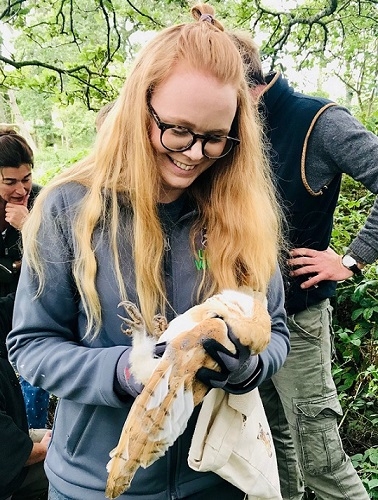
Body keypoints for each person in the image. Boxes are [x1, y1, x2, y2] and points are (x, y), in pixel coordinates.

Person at [7, 4, 290, 499]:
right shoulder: (68, 208)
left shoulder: (242, 214)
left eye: (215, 138)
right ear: (141, 107)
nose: (195, 153)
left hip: (215, 479)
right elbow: (31, 346)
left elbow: (278, 329)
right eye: (177, 129)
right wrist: (123, 372)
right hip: (97, 484)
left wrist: (246, 369)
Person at [229, 31, 377, 500]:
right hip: (247, 325)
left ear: (238, 81)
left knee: (321, 462)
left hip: (299, 319)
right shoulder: (235, 127)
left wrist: (353, 259)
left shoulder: (319, 122)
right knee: (272, 450)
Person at [0, 128, 50, 430]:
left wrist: (29, 228)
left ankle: (34, 435)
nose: (21, 189)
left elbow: (61, 256)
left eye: (26, 179)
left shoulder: (42, 202)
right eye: (10, 182)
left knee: (35, 375)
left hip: (30, 304)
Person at [0, 292, 51, 500]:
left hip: (15, 433)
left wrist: (38, 285)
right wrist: (46, 450)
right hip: (8, 470)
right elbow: (7, 452)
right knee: (66, 471)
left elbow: (10, 307)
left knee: (62, 437)